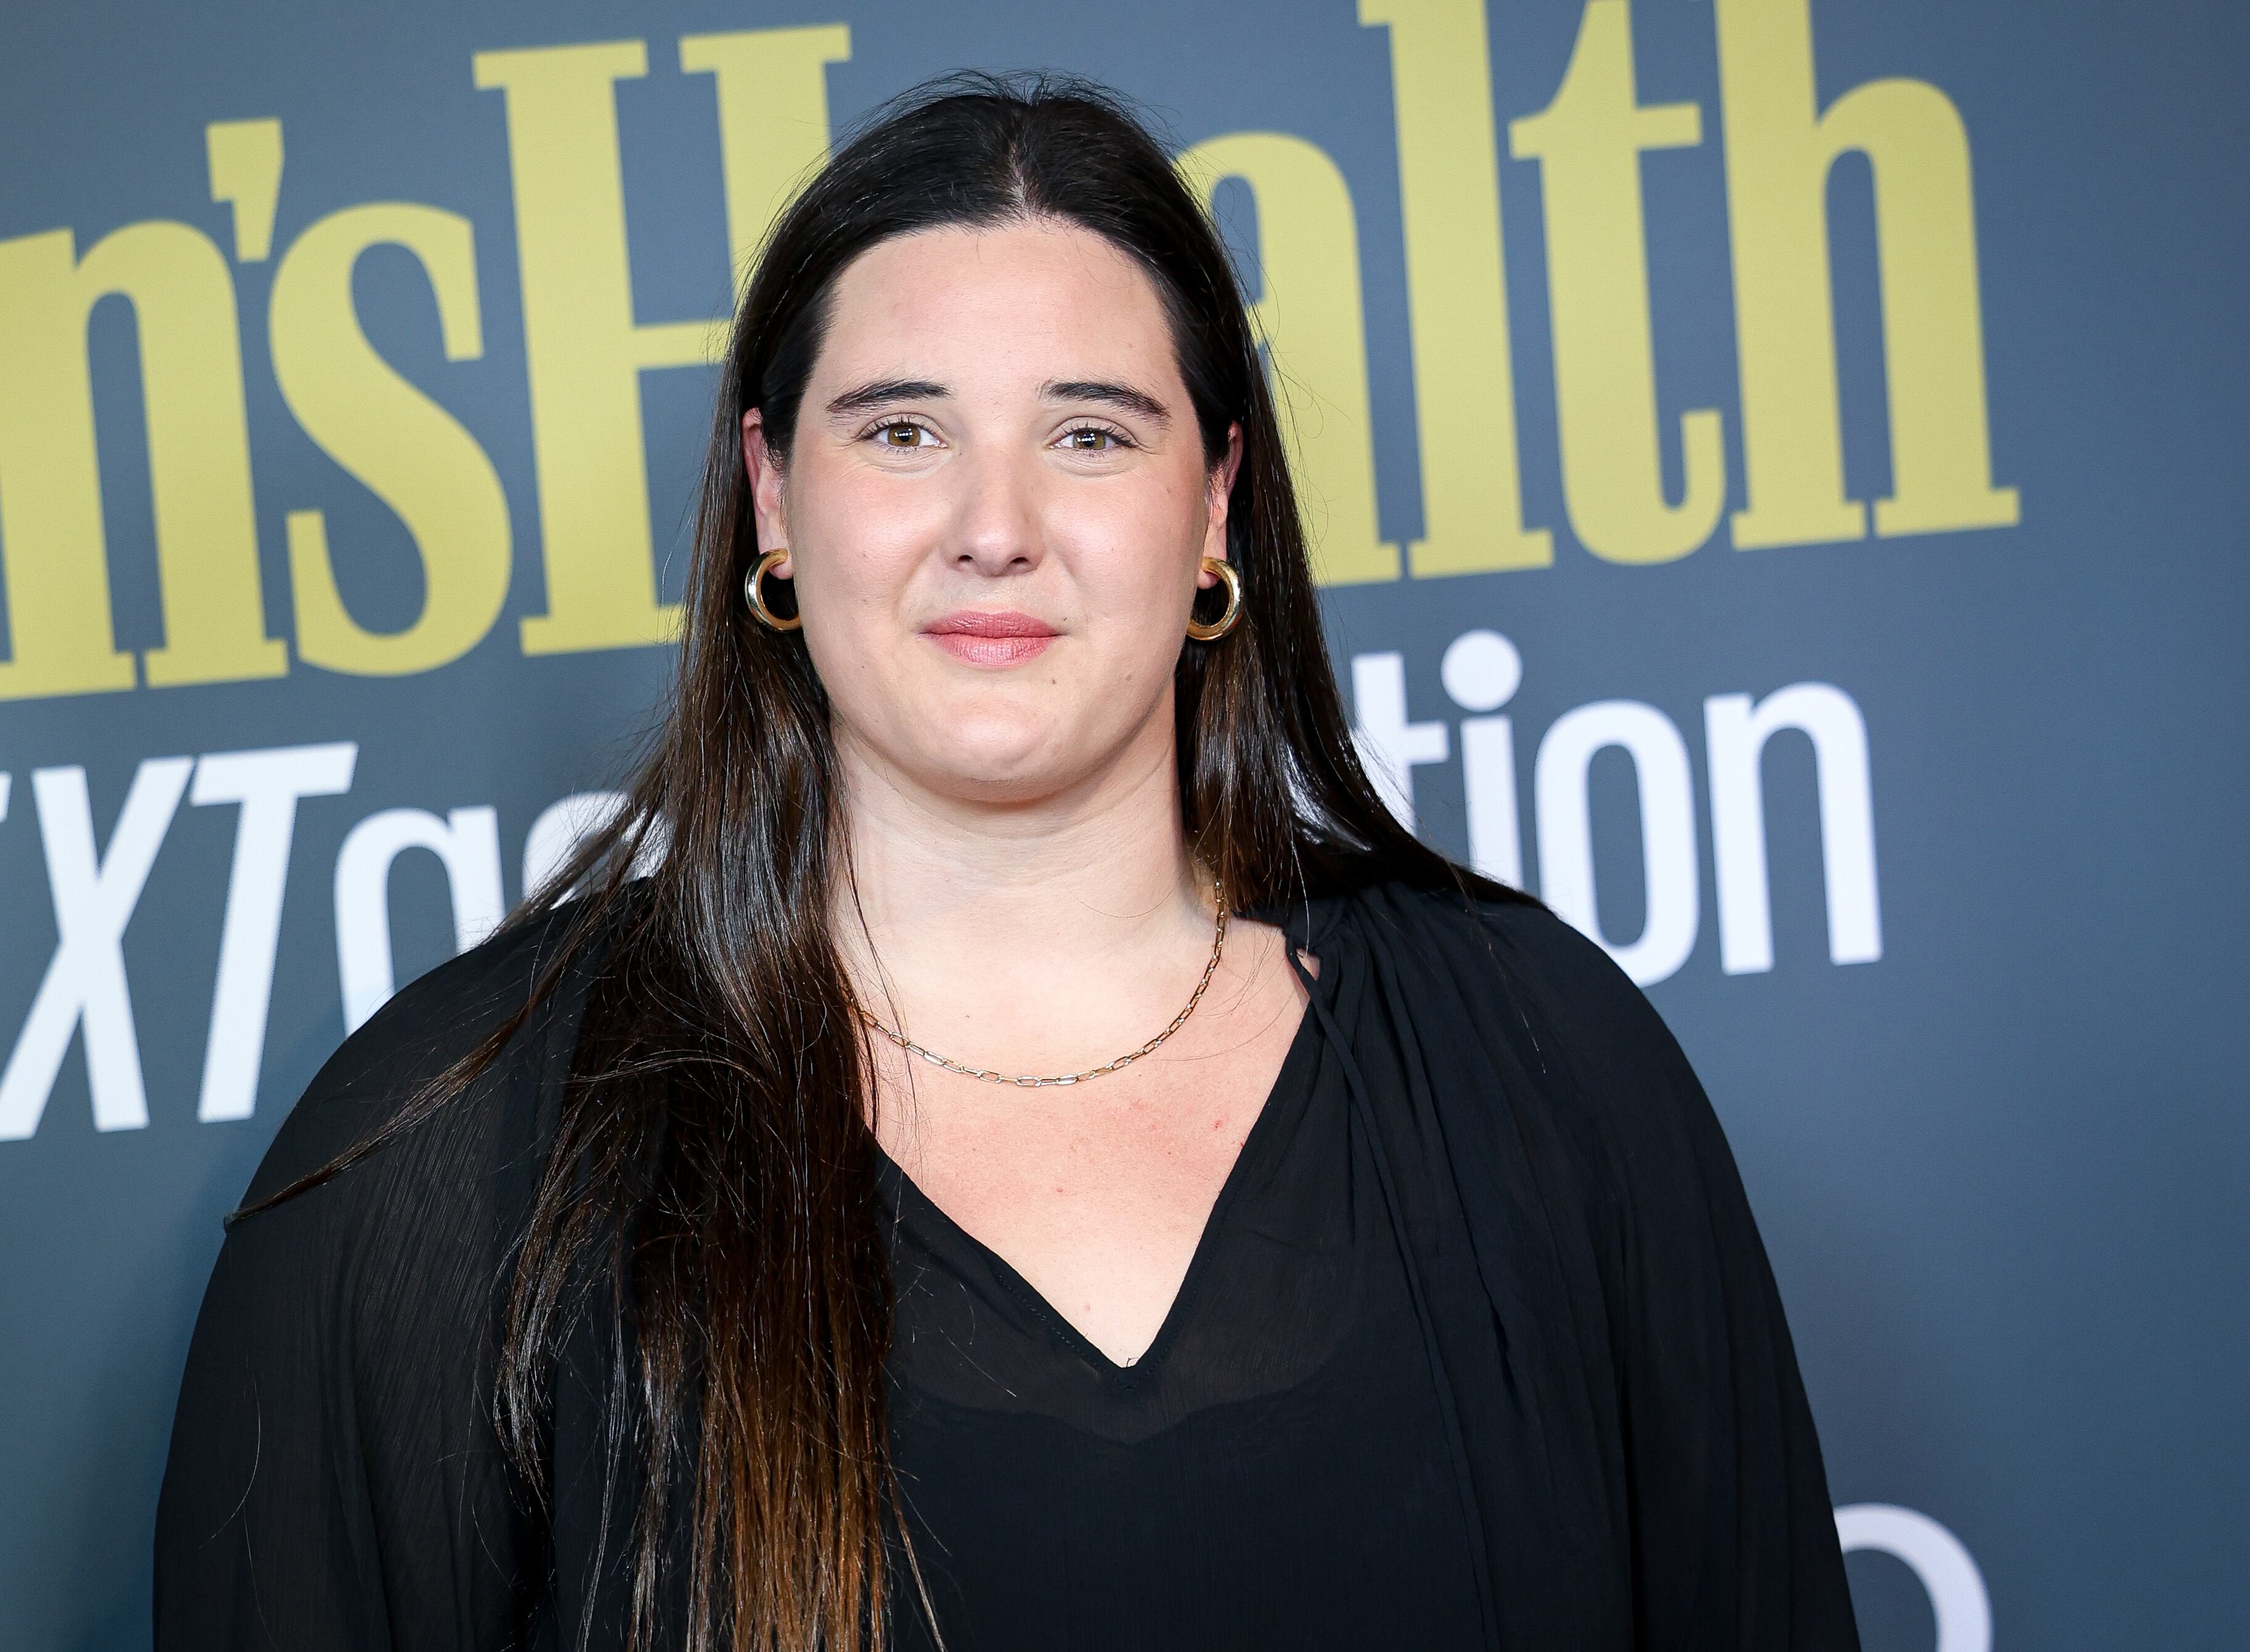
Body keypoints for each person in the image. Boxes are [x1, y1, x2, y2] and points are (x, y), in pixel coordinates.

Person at [153, 73, 1860, 1652]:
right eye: (901, 430)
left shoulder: (1543, 1072)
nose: (996, 520)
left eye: (1093, 432)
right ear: (769, 496)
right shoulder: (454, 1158)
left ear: (1215, 506)